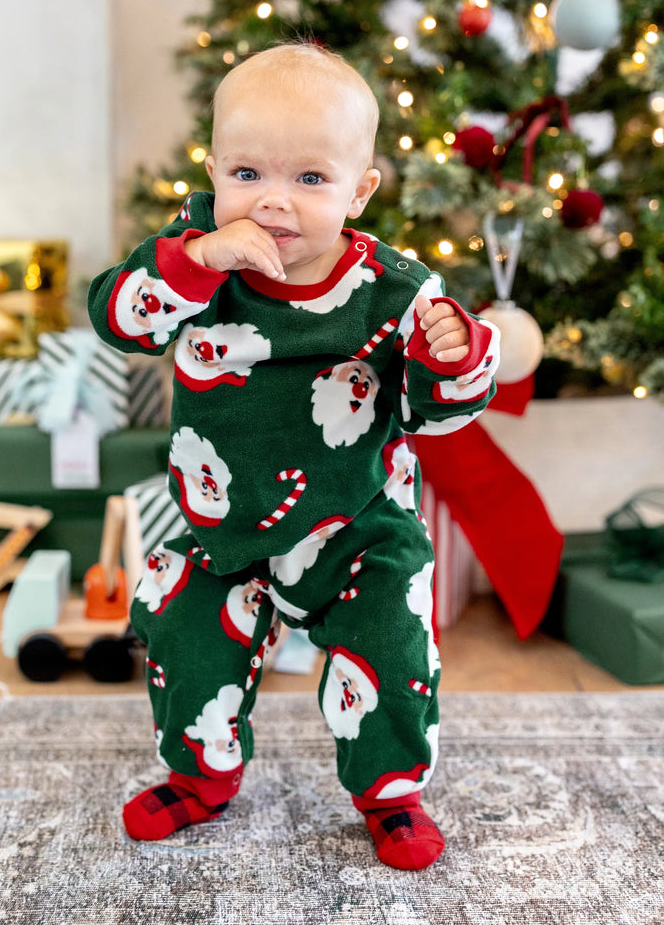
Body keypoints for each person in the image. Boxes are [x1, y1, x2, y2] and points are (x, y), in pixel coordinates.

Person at [88, 43, 500, 871]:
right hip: (223, 527)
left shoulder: (396, 289)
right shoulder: (195, 256)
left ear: (361, 189)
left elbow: (432, 416)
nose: (273, 202)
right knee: (183, 632)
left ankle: (391, 792)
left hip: (354, 524)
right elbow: (118, 317)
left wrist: (450, 359)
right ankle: (200, 775)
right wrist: (193, 264)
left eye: (311, 180)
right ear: (213, 169)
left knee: (390, 644)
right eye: (248, 173)